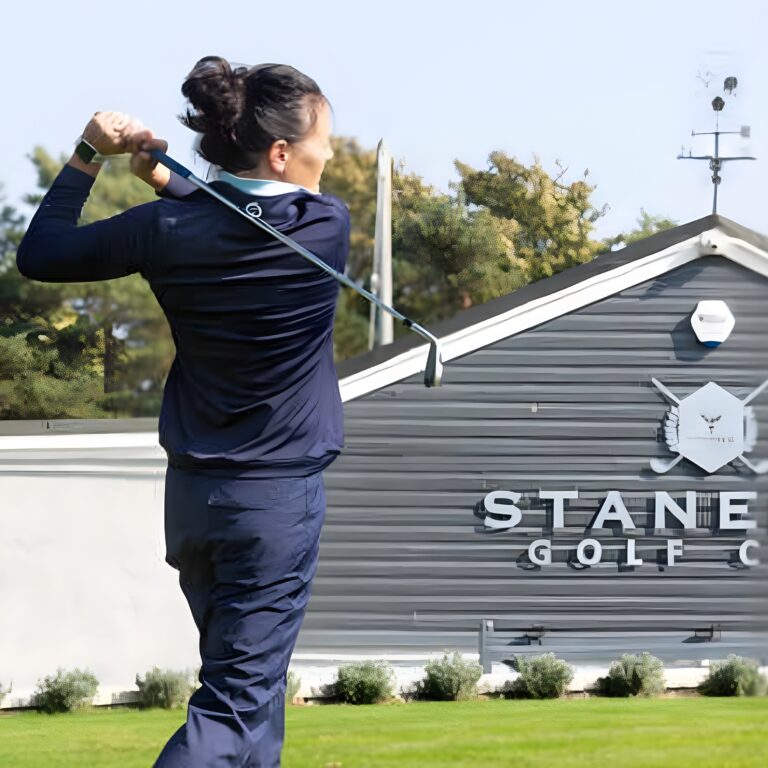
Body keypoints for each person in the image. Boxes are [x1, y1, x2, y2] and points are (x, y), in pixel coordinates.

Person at [16, 56, 350, 767]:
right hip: (274, 502)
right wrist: (166, 178)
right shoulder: (322, 226)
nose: (331, 153)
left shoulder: (166, 228)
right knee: (233, 707)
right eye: (324, 141)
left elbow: (42, 254)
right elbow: (242, 213)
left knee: (253, 706)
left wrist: (90, 156)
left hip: (196, 502)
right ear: (284, 153)